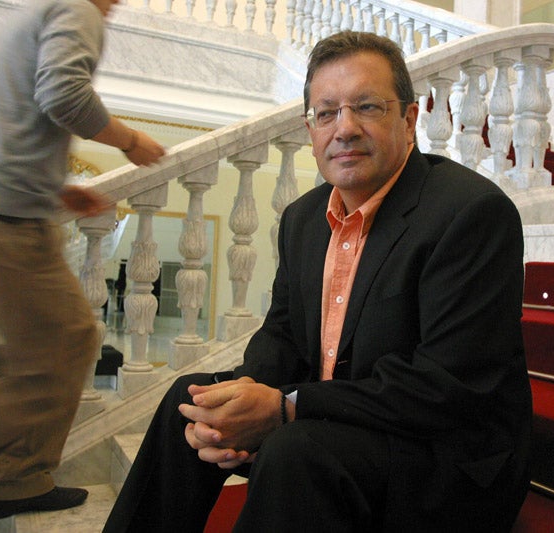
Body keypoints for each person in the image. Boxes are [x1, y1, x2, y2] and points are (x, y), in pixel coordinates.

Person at [103, 31, 531, 533]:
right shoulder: (304, 218)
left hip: (443, 457)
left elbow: (446, 388)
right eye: (326, 113)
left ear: (410, 120)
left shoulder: (470, 213)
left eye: (367, 107)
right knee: (192, 402)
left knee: (294, 449)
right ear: (310, 130)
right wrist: (245, 394)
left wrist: (286, 408)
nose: (344, 128)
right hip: (340, 423)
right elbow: (282, 335)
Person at [0, 0, 165, 525]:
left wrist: (56, 191)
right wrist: (130, 141)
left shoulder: (15, 26)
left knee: (74, 342)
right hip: (4, 225)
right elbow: (63, 93)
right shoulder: (76, 9)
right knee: (40, 376)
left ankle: (24, 477)